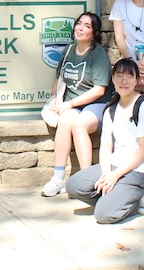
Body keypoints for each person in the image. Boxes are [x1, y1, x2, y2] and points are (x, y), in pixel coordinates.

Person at [66, 58, 144, 223]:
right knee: (74, 185)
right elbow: (105, 146)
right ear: (112, 78)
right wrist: (106, 174)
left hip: (140, 170)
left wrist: (116, 175)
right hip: (116, 164)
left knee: (103, 215)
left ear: (137, 81)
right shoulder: (111, 109)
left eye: (129, 77)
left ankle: (139, 199)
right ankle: (115, 197)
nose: (123, 81)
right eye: (119, 76)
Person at [39, 12, 111, 198]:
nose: (81, 28)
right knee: (65, 121)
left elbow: (99, 90)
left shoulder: (98, 55)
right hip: (72, 104)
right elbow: (59, 77)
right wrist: (55, 97)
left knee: (80, 125)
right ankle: (58, 178)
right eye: (79, 23)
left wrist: (69, 103)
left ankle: (86, 183)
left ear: (94, 33)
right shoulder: (69, 50)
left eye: (87, 26)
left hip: (97, 104)